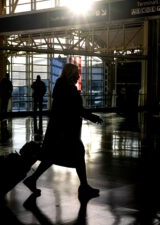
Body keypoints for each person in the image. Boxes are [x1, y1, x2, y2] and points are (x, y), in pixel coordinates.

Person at [23, 63, 103, 199]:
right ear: (71, 74)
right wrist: (91, 117)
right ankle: (83, 186)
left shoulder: (61, 87)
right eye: (76, 73)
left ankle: (33, 179)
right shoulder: (68, 89)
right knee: (72, 154)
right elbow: (75, 109)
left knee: (53, 155)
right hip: (66, 131)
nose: (78, 75)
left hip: (60, 130)